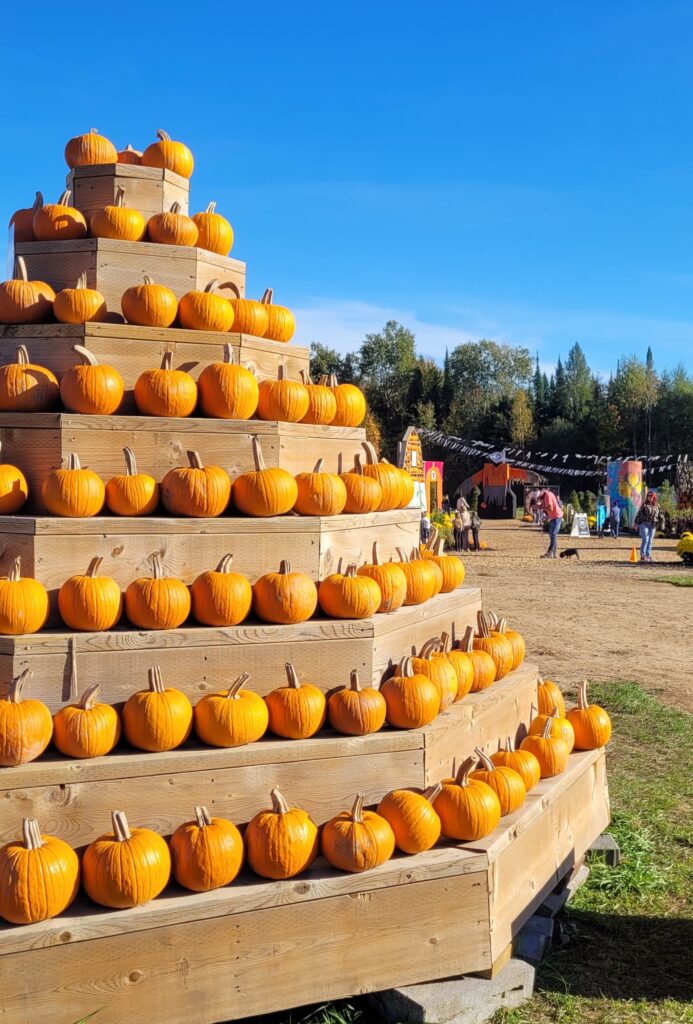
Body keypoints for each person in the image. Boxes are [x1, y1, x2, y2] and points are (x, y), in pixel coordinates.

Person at [634, 491, 660, 563]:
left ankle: (648, 555)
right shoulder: (644, 505)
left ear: (654, 497)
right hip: (644, 523)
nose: (649, 497)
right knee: (645, 539)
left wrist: (662, 522)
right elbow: (639, 514)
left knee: (650, 541)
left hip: (653, 525)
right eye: (648, 496)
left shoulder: (657, 505)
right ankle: (643, 556)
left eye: (651, 496)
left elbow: (660, 515)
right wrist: (636, 523)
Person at [538, 489, 563, 559]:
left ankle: (549, 553)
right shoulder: (547, 495)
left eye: (540, 498)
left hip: (556, 516)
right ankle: (553, 554)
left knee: (553, 534)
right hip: (554, 517)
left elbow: (550, 508)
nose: (540, 499)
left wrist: (542, 507)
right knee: (552, 535)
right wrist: (547, 517)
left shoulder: (547, 496)